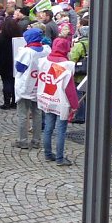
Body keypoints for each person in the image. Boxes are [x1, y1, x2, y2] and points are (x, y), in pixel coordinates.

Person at [36, 38, 78, 166]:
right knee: (61, 130)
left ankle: (48, 154)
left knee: (48, 127)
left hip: (47, 98)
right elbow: (69, 88)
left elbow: (40, 79)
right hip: (61, 100)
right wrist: (75, 105)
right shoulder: (66, 65)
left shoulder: (43, 61)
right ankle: (60, 158)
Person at [14, 28, 50, 149]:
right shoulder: (46, 50)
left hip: (26, 85)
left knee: (23, 114)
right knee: (37, 113)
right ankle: (36, 140)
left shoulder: (26, 52)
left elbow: (19, 67)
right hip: (39, 85)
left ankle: (22, 140)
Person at [0, 17, 22, 110]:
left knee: (6, 82)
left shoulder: (0, 38)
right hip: (15, 61)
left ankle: (6, 102)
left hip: (3, 62)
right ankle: (15, 102)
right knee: (15, 82)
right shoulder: (20, 37)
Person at [68, 22, 89, 124]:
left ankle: (80, 116)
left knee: (79, 94)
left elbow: (72, 59)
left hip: (80, 73)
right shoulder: (95, 42)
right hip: (89, 73)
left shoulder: (79, 45)